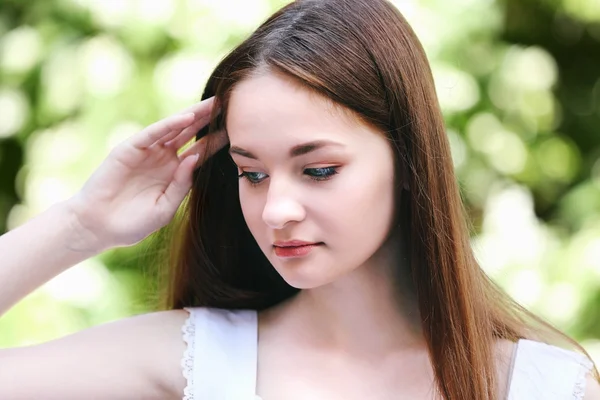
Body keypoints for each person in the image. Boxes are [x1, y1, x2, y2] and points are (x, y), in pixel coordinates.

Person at [0, 0, 598, 398]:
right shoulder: (196, 357)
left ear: (409, 160)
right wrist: (83, 224)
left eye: (318, 170)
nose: (276, 210)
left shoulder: (544, 385)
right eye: (252, 174)